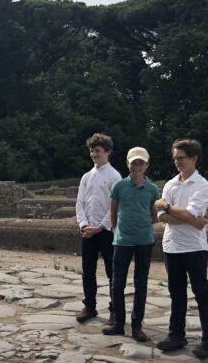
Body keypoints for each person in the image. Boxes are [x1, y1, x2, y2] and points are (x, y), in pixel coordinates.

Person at [154, 139, 208, 359]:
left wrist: (168, 206)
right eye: (175, 158)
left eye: (181, 158)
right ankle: (176, 334)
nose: (177, 162)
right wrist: (191, 220)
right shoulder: (171, 184)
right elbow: (162, 217)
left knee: (201, 292)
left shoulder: (201, 185)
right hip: (172, 246)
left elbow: (175, 211)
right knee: (177, 293)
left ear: (193, 158)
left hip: (194, 247)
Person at [101, 147, 160, 343]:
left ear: (146, 165)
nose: (137, 166)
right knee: (117, 283)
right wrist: (117, 231)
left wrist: (140, 226)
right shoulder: (119, 186)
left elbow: (154, 216)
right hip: (123, 241)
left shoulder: (152, 189)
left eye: (140, 163)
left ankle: (136, 325)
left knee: (141, 283)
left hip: (144, 240)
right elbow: (113, 212)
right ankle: (119, 322)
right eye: (134, 163)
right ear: (128, 164)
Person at [75, 133, 122, 324]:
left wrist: (101, 226)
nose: (94, 154)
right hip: (88, 231)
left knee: (112, 271)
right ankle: (89, 305)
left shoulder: (115, 176)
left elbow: (115, 206)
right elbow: (80, 203)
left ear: (107, 151)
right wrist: (84, 224)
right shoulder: (87, 176)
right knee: (88, 270)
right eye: (92, 150)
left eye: (98, 150)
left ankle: (114, 309)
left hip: (106, 231)